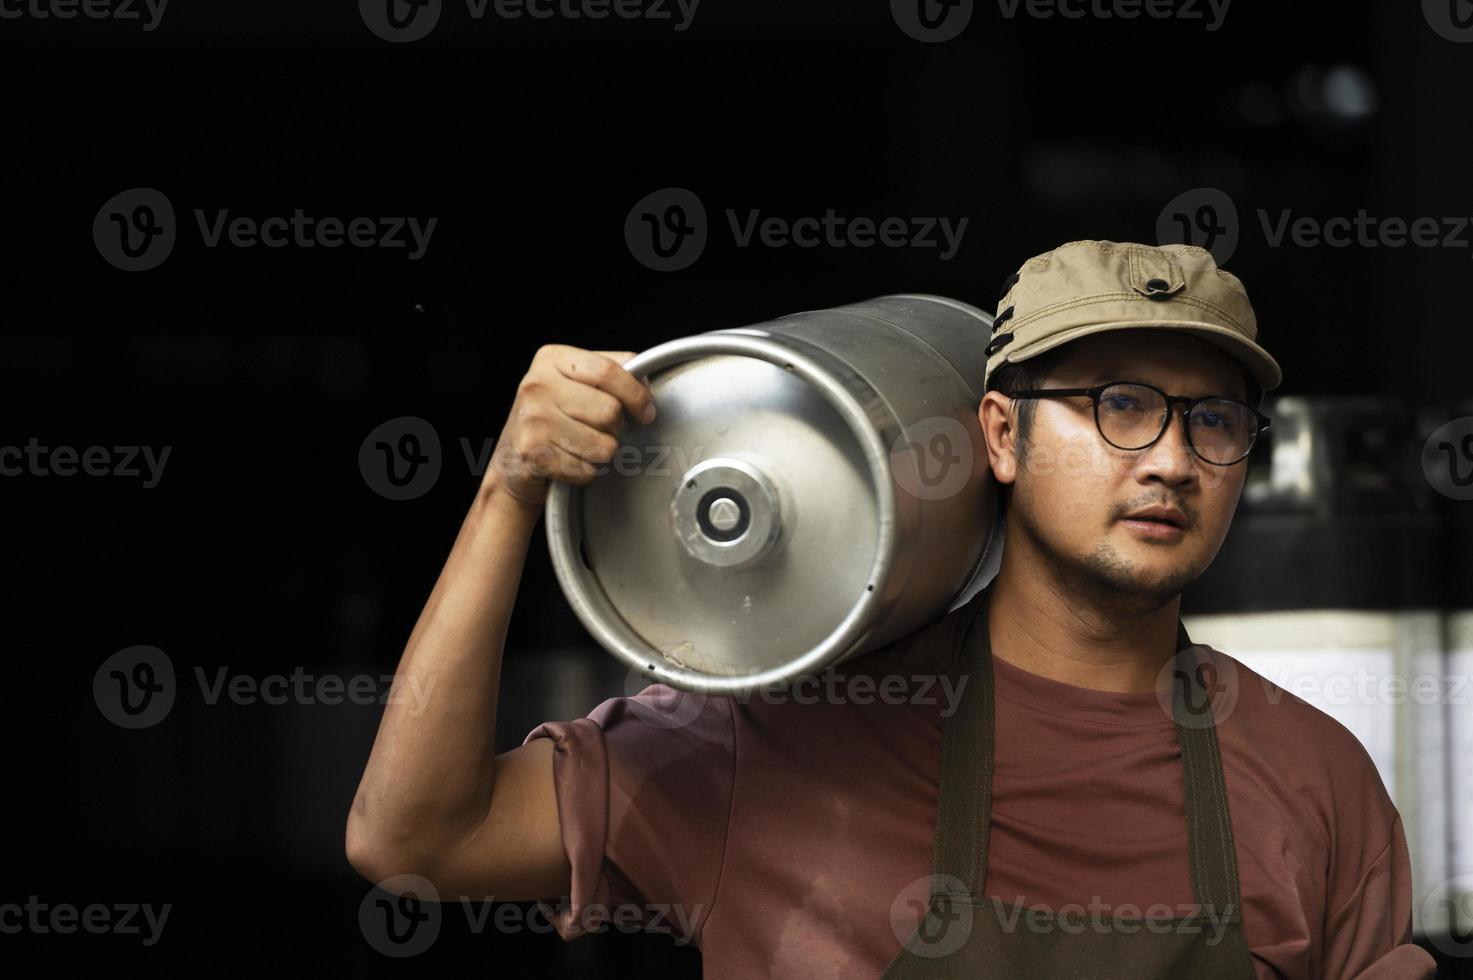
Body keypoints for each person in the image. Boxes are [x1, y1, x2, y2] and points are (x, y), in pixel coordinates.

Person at [345, 240, 1437, 978]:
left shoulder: (1315, 777)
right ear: (1000, 436)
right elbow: (415, 840)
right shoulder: (770, 740)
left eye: (1213, 421)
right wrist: (507, 491)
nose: (1169, 459)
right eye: (1119, 404)